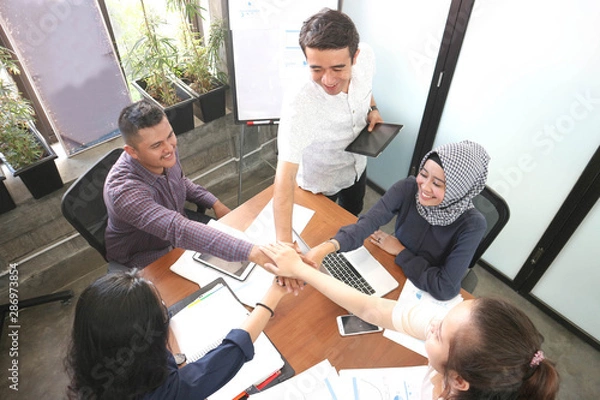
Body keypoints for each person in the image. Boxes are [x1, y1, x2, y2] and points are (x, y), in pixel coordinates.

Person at [260, 242, 560, 400]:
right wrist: (301, 270)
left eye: (438, 333)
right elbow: (370, 308)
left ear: (458, 381)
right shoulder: (460, 348)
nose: (431, 323)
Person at [305, 140, 490, 300]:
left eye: (437, 184)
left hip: (422, 288)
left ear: (458, 189)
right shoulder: (408, 187)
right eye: (424, 174)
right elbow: (367, 223)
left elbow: (445, 287)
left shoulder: (472, 225)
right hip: (393, 267)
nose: (424, 188)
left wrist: (400, 251)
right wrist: (327, 247)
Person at [66, 270, 289, 399]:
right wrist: (275, 292)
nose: (167, 310)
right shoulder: (165, 392)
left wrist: (174, 352)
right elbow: (230, 353)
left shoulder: (97, 359)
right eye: (163, 309)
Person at [104, 100, 270, 270]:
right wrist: (254, 253)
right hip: (145, 257)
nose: (169, 148)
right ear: (132, 152)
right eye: (156, 145)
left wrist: (215, 203)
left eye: (170, 135)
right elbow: (178, 229)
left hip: (177, 233)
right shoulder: (123, 192)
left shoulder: (165, 153)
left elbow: (180, 182)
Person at [273, 8, 384, 243]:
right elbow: (284, 178)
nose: (328, 80)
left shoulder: (366, 58)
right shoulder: (300, 101)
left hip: (356, 167)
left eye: (338, 68)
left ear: (355, 57)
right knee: (320, 235)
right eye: (316, 69)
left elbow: (365, 89)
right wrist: (283, 246)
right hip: (320, 182)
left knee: (352, 215)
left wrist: (373, 109)